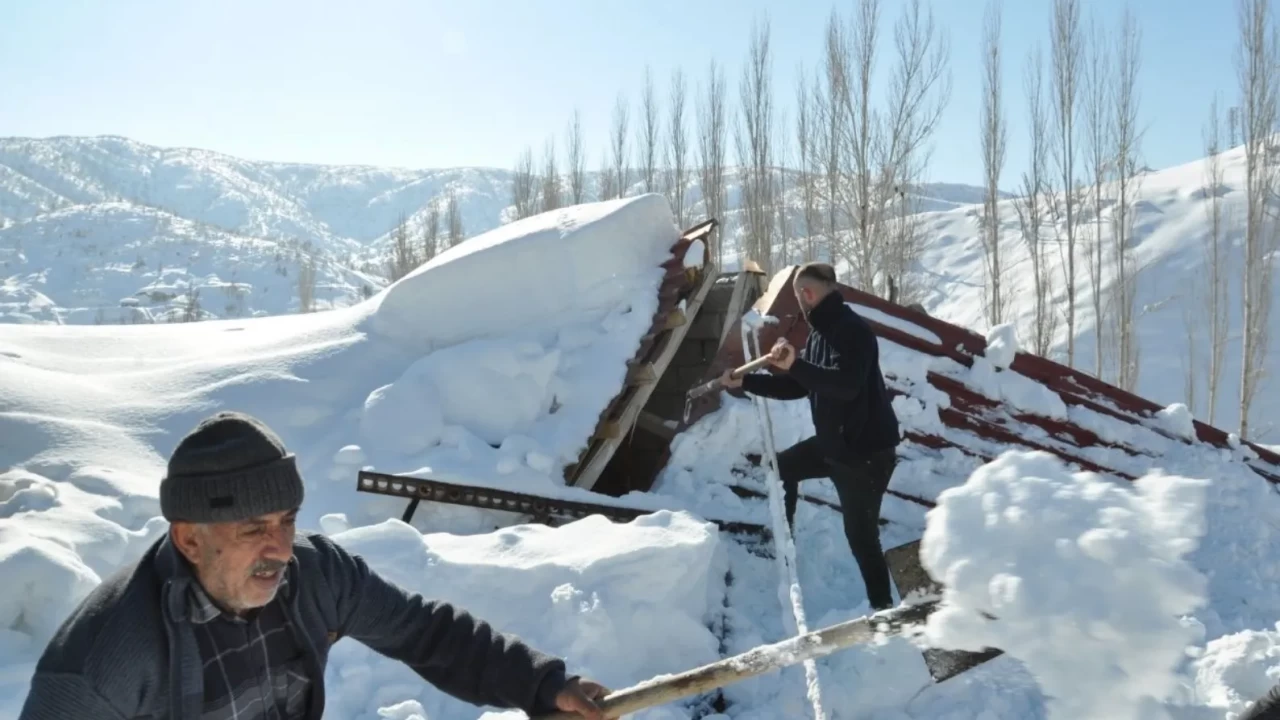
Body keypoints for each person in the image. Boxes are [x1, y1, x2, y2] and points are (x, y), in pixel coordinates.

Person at [18, 411, 609, 720]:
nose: (279, 549)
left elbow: (427, 632)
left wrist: (541, 685)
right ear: (190, 540)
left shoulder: (313, 575)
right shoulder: (100, 665)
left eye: (287, 520)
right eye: (253, 529)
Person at [722, 261, 901, 611]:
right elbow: (799, 386)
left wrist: (795, 366)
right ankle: (783, 546)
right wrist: (746, 381)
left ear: (818, 290)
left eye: (803, 292)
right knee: (783, 467)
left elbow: (846, 387)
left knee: (862, 539)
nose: (801, 300)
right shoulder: (820, 333)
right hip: (835, 444)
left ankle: (884, 611)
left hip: (865, 453)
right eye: (797, 294)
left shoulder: (853, 331)